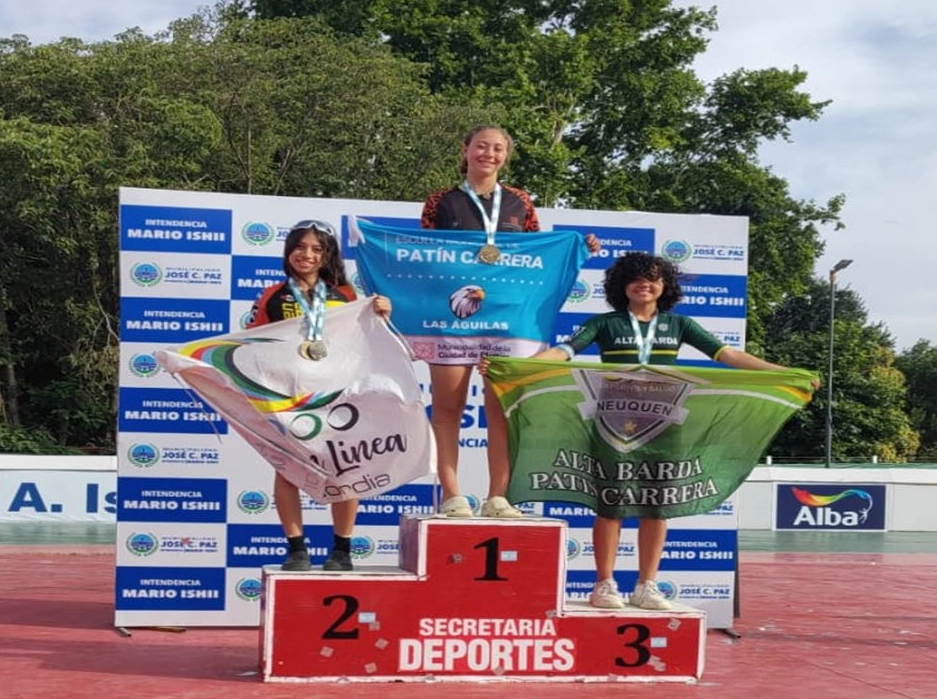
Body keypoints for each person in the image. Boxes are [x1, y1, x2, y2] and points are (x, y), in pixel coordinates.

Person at [530, 251, 814, 610]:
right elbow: (563, 353)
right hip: (612, 424)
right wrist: (517, 366)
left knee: (656, 508)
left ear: (665, 285)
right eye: (635, 277)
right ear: (622, 286)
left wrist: (782, 372)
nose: (644, 283)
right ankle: (604, 584)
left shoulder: (680, 326)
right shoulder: (604, 323)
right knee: (611, 505)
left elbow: (729, 357)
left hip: (665, 424)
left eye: (653, 277)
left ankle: (646, 586)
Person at [420, 124, 597, 519]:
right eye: (481, 146)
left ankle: (498, 496)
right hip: (454, 317)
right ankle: (452, 495)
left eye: (498, 148)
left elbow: (537, 259)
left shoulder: (520, 203)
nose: (489, 154)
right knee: (448, 409)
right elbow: (424, 257)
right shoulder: (440, 201)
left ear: (506, 156)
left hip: (507, 320)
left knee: (501, 409)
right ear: (465, 149)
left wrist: (577, 250)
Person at [244, 218, 392, 571]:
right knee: (287, 471)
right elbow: (249, 342)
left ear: (327, 256)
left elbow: (372, 339)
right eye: (300, 247)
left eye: (316, 249)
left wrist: (383, 313)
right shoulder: (272, 295)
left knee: (346, 469)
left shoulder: (347, 296)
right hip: (288, 396)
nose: (306, 255)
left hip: (339, 395)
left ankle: (341, 550)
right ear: (288, 251)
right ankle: (296, 549)